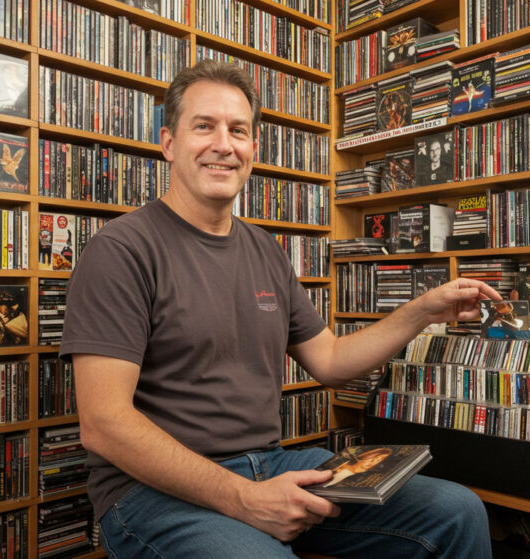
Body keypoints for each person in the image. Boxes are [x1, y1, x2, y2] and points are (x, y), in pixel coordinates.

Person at [60, 60, 499, 558]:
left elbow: (330, 362)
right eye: (204, 126)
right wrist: (243, 498)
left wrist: (422, 311)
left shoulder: (265, 249)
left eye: (238, 130)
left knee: (457, 511)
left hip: (269, 465)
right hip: (154, 494)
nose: (223, 144)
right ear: (169, 142)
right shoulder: (121, 249)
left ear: (252, 148)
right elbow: (103, 423)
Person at [321, 447, 393, 487]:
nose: (373, 462)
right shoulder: (338, 463)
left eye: (378, 460)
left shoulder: (362, 479)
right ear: (366, 456)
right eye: (373, 458)